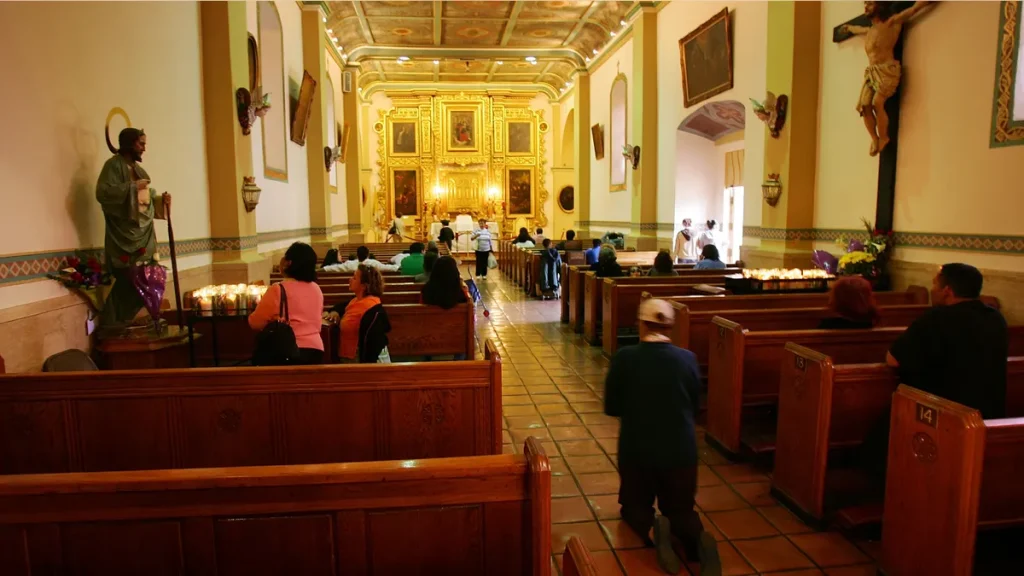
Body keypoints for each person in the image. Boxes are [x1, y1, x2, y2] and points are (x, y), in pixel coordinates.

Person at [604, 298, 721, 575]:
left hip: (638, 449)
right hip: (681, 452)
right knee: (681, 509)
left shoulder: (626, 358)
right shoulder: (687, 358)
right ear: (670, 326)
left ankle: (654, 529)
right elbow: (695, 406)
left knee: (634, 506)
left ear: (641, 325)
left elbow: (612, 407)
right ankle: (696, 539)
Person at [887, 263, 1008, 418]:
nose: (932, 289)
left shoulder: (935, 318)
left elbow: (893, 360)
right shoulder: (995, 318)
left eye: (935, 284)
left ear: (947, 291)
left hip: (942, 415)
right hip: (988, 413)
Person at [95, 127, 172, 327]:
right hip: (123, 237)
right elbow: (103, 193)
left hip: (143, 234)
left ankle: (129, 320)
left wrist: (160, 200)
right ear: (129, 144)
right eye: (141, 143)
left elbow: (144, 202)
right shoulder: (112, 166)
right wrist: (131, 188)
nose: (144, 148)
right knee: (129, 280)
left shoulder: (138, 170)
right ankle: (114, 323)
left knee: (147, 278)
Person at [840, 1, 935, 156]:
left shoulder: (892, 22)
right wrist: (848, 28)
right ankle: (875, 138)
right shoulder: (870, 30)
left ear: (879, 6)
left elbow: (913, 9)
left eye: (870, 4)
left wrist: (925, 2)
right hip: (872, 73)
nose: (866, 7)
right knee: (865, 105)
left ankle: (884, 137)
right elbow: (858, 29)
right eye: (865, 3)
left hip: (886, 70)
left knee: (877, 102)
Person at [249, 242, 325, 365]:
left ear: (289, 263)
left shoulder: (278, 289)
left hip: (287, 350)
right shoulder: (316, 289)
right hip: (316, 349)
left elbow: (255, 322)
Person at [324, 264, 391, 363]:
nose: (350, 279)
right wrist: (335, 311)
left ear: (364, 286)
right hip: (348, 356)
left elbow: (373, 344)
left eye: (354, 278)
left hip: (359, 359)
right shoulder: (357, 300)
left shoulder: (372, 309)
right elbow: (342, 306)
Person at [323, 245, 399, 273]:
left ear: (357, 255)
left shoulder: (349, 264)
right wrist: (398, 266)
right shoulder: (373, 263)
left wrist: (319, 270)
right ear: (368, 254)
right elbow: (387, 268)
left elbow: (333, 268)